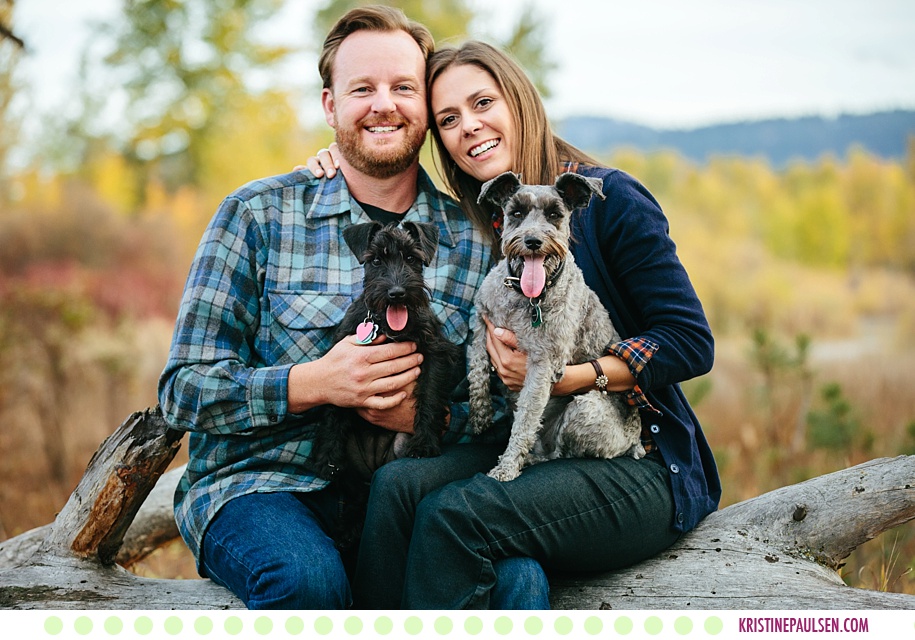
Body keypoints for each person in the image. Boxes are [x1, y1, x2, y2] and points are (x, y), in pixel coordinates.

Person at [306, 40, 720, 609]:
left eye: (482, 103)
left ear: (519, 100)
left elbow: (690, 342)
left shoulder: (611, 199)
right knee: (397, 486)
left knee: (453, 516)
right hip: (533, 437)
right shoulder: (490, 214)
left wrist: (571, 376)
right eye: (448, 118)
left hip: (635, 455)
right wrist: (335, 159)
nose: (469, 127)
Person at [157, 7, 540, 610]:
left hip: (410, 485)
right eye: (363, 88)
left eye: (403, 88)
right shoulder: (257, 215)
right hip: (265, 485)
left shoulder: (474, 241)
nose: (383, 104)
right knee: (309, 580)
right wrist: (316, 383)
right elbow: (183, 390)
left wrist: (426, 418)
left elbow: (501, 409)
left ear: (426, 112)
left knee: (520, 581)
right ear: (331, 106)